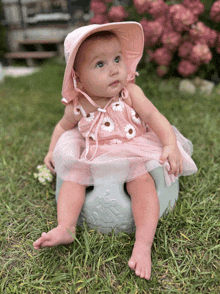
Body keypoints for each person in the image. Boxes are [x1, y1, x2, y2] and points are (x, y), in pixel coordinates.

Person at [33, 22, 197, 280]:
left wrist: (169, 144)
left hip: (132, 151)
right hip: (97, 155)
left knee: (141, 182)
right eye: (100, 64)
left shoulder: (129, 92)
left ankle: (143, 244)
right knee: (73, 180)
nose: (114, 70)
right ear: (78, 77)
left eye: (117, 59)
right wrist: (52, 150)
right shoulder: (80, 106)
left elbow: (154, 116)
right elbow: (62, 127)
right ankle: (66, 226)